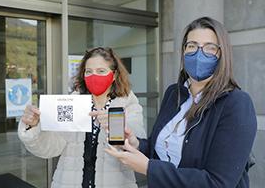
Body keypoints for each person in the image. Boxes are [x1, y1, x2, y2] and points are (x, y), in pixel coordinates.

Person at [105, 17, 257, 188]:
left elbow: (218, 182)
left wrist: (149, 168)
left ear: (222, 54)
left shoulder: (236, 103)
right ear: (184, 51)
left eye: (209, 47)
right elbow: (162, 152)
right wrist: (137, 144)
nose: (199, 54)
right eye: (192, 46)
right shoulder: (174, 93)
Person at [18, 47, 146, 188]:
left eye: (101, 71)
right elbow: (50, 148)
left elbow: (136, 146)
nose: (94, 76)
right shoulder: (73, 104)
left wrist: (114, 126)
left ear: (114, 75)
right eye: (89, 71)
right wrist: (34, 126)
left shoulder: (128, 105)